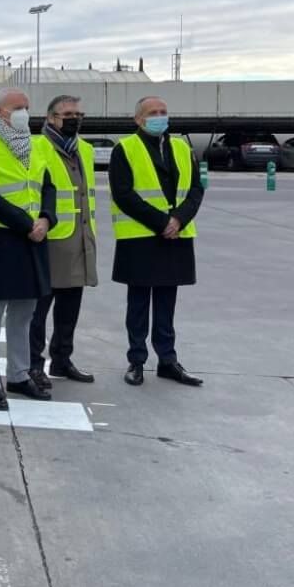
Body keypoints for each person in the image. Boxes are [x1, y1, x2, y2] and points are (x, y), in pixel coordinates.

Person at [0, 88, 56, 411]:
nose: (24, 113)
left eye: (27, 107)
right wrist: (25, 223)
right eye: (17, 107)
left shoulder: (37, 144)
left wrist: (47, 219)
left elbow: (48, 186)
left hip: (35, 236)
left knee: (25, 312)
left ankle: (19, 375)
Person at [110, 96, 205, 387]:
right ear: (138, 119)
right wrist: (163, 222)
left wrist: (178, 220)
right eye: (153, 113)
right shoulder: (124, 148)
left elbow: (195, 190)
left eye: (164, 112)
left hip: (176, 236)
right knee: (138, 303)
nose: (160, 117)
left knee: (166, 302)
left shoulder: (182, 148)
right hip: (140, 236)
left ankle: (168, 360)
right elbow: (124, 194)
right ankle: (136, 360)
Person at [30, 95, 98, 387]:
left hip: (80, 238)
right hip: (49, 238)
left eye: (78, 113)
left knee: (70, 307)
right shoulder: (36, 147)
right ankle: (33, 364)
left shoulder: (86, 149)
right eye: (67, 113)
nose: (74, 118)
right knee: (38, 310)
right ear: (50, 118)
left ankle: (61, 359)